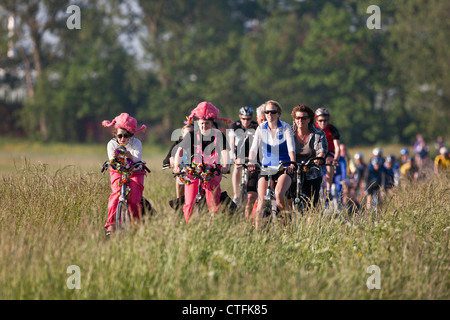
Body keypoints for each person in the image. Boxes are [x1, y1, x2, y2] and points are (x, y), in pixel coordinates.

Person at [173, 101, 232, 223]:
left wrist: (226, 166)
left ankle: (213, 224)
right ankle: (188, 226)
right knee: (189, 202)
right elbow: (180, 151)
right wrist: (177, 166)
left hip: (212, 171)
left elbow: (226, 152)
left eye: (207, 123)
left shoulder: (218, 136)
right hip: (194, 171)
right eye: (201, 124)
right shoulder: (191, 135)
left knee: (213, 202)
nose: (204, 126)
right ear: (197, 123)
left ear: (211, 124)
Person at [248, 100, 296, 228]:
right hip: (266, 167)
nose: (270, 114)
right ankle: (258, 234)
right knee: (261, 200)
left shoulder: (285, 128)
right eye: (267, 112)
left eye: (273, 112)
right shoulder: (261, 128)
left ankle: (287, 226)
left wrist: (292, 163)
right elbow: (253, 148)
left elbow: (291, 148)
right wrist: (251, 161)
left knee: (279, 194)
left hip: (283, 166)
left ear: (278, 114)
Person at [102, 113, 147, 235]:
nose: (123, 139)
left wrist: (130, 155)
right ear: (116, 134)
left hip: (135, 172)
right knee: (116, 196)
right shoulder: (111, 144)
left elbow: (138, 158)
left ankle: (136, 226)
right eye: (120, 135)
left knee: (133, 200)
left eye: (126, 135)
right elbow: (112, 160)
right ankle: (111, 225)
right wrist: (115, 157)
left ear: (130, 134)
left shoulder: (136, 143)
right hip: (118, 171)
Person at [290, 104, 327, 209]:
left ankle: (310, 222)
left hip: (312, 170)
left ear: (309, 119)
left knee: (311, 203)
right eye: (298, 118)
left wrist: (320, 158)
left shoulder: (318, 133)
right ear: (294, 119)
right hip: (292, 170)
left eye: (303, 118)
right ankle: (286, 219)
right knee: (287, 195)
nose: (300, 120)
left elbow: (322, 150)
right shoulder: (289, 132)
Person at [229, 106, 258, 207]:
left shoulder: (255, 126)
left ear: (252, 118)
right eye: (243, 119)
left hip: (251, 151)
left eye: (248, 119)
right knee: (237, 167)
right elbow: (231, 144)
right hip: (238, 151)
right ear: (240, 117)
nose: (246, 121)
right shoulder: (234, 126)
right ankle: (236, 194)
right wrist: (233, 156)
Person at [314, 107, 340, 203]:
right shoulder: (312, 128)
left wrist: (336, 159)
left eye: (325, 121)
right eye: (320, 120)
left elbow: (337, 147)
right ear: (316, 120)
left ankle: (328, 190)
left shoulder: (332, 129)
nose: (323, 123)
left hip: (329, 152)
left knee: (329, 163)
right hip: (316, 152)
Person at [163, 123, 194, 204]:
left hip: (196, 172)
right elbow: (168, 157)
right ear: (183, 135)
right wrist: (171, 158)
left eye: (191, 133)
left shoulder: (198, 144)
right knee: (180, 179)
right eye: (187, 134)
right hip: (183, 172)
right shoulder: (178, 143)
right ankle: (179, 205)